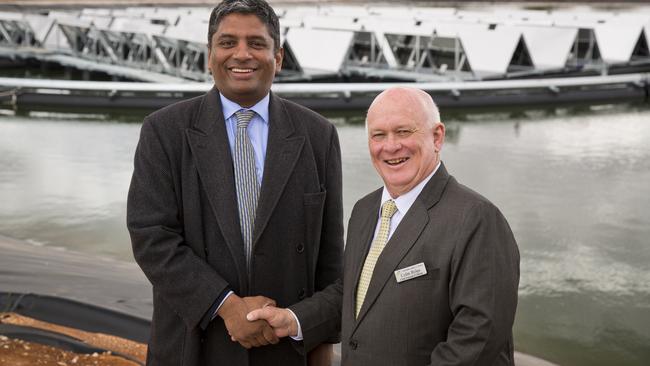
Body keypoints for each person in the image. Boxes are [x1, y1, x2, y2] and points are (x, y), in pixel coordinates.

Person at [126, 0, 343, 364]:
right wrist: (226, 306)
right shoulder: (163, 131)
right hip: (195, 344)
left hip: (286, 345)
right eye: (228, 43)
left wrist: (320, 341)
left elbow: (330, 257)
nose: (242, 54)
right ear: (209, 56)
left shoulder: (318, 134)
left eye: (256, 43)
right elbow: (151, 236)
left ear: (278, 57)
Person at [248, 87, 520, 365]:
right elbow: (354, 290)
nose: (390, 146)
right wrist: (294, 320)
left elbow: (479, 335)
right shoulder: (365, 210)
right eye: (379, 135)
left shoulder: (477, 218)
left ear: (437, 136)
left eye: (403, 132)